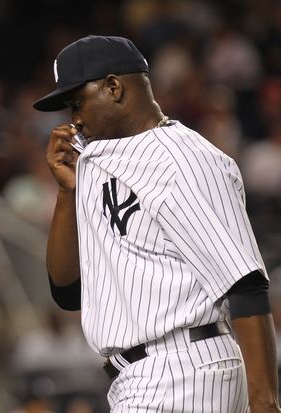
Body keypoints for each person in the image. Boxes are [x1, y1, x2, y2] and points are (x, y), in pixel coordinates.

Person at [33, 35, 280, 413]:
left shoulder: (183, 159)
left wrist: (265, 404)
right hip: (143, 378)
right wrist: (67, 194)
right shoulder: (96, 162)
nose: (75, 119)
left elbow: (244, 283)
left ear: (114, 87)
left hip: (185, 369)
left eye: (78, 102)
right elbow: (66, 291)